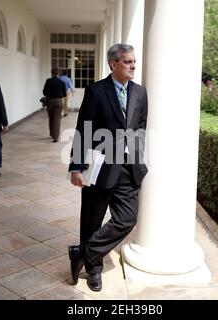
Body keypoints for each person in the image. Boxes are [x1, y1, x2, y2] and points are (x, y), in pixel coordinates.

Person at [68, 44, 149, 292]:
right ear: (113, 64)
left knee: (127, 219)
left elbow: (141, 126)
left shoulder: (140, 92)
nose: (133, 65)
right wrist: (76, 168)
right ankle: (94, 270)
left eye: (134, 61)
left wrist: (136, 154)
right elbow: (85, 129)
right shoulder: (96, 91)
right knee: (92, 219)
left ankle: (83, 252)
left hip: (129, 168)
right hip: (101, 166)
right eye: (128, 62)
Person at [43, 68, 67, 142]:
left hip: (50, 101)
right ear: (58, 73)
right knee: (57, 119)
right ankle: (55, 137)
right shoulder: (61, 82)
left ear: (52, 73)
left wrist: (49, 95)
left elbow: (44, 92)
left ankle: (51, 133)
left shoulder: (48, 81)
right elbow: (64, 94)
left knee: (51, 118)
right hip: (59, 102)